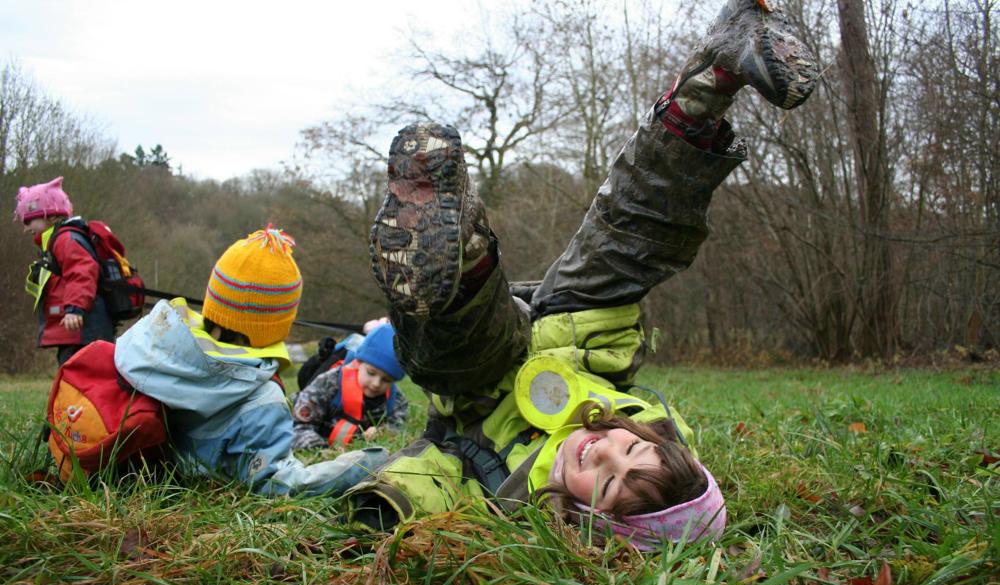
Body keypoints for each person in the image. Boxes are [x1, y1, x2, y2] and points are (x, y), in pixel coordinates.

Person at [342, 0, 818, 548]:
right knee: (630, 242)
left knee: (455, 348)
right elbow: (661, 457)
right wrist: (652, 449)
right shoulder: (663, 443)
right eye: (631, 447)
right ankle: (718, 74)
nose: (606, 448)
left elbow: (422, 485)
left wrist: (381, 510)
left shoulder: (508, 500)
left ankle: (459, 259)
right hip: (574, 338)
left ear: (590, 522)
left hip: (477, 389)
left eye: (609, 480)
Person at [113, 225, 388, 496]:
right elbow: (277, 483)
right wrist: (362, 465)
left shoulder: (149, 340)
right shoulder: (262, 399)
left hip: (132, 474)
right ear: (277, 325)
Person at [15, 177, 114, 365]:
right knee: (74, 380)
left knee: (79, 381)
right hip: (78, 330)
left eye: (29, 221)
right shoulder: (57, 241)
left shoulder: (65, 239)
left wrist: (75, 309)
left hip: (84, 328)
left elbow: (82, 272)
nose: (26, 228)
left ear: (51, 216)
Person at [291, 322, 410, 450]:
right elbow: (298, 427)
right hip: (320, 442)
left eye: (386, 380)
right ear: (358, 363)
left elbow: (397, 426)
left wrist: (382, 432)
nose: (376, 384)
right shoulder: (327, 384)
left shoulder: (395, 399)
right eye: (371, 373)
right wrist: (323, 451)